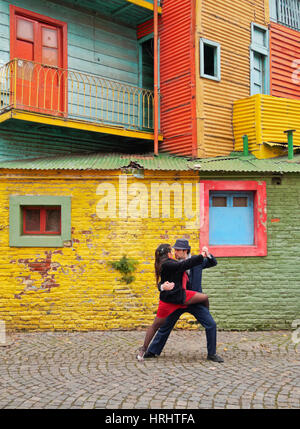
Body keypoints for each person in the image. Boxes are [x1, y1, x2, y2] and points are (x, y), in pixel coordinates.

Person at [143, 239, 224, 363]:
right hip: (177, 301)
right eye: (174, 250)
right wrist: (162, 287)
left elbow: (213, 262)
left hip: (194, 300)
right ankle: (152, 351)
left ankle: (212, 354)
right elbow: (163, 280)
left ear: (185, 251)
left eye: (178, 250)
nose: (175, 252)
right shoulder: (172, 263)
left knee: (211, 324)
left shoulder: (198, 262)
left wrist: (208, 254)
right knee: (165, 326)